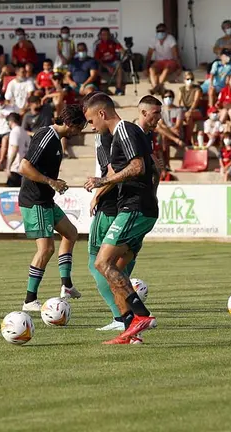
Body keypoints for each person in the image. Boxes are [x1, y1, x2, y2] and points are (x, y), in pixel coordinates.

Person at [83, 93, 158, 344]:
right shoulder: (117, 138)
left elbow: (139, 167)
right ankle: (130, 331)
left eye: (92, 120)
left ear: (102, 113)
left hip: (135, 208)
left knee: (102, 263)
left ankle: (141, 314)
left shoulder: (124, 130)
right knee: (114, 268)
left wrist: (102, 181)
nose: (92, 126)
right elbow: (153, 167)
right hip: (138, 207)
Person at [17, 104, 84, 313]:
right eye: (80, 127)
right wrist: (51, 182)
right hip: (34, 200)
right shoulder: (46, 136)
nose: (80, 132)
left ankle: (66, 285)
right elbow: (24, 166)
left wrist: (54, 182)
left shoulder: (56, 140)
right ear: (71, 124)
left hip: (45, 199)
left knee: (71, 233)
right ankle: (29, 299)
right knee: (45, 249)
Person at [145, 23, 181, 95]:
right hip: (159, 62)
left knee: (166, 69)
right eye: (158, 31)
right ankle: (156, 87)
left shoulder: (170, 39)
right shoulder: (153, 39)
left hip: (170, 61)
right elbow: (149, 55)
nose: (160, 33)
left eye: (162, 30)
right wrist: (145, 68)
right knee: (152, 69)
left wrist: (179, 67)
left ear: (166, 31)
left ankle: (156, 88)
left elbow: (175, 54)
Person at [93, 27, 125, 95]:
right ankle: (99, 88)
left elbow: (122, 51)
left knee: (119, 65)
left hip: (113, 62)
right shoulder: (97, 44)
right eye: (103, 34)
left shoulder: (114, 41)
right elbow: (96, 59)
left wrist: (123, 52)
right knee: (96, 67)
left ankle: (118, 88)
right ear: (100, 35)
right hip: (102, 63)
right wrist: (107, 67)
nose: (105, 36)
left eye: (107, 34)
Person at [5, 112, 30, 187]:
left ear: (10, 121)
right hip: (24, 169)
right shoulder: (25, 133)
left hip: (15, 169)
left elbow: (14, 149)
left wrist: (8, 167)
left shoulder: (14, 132)